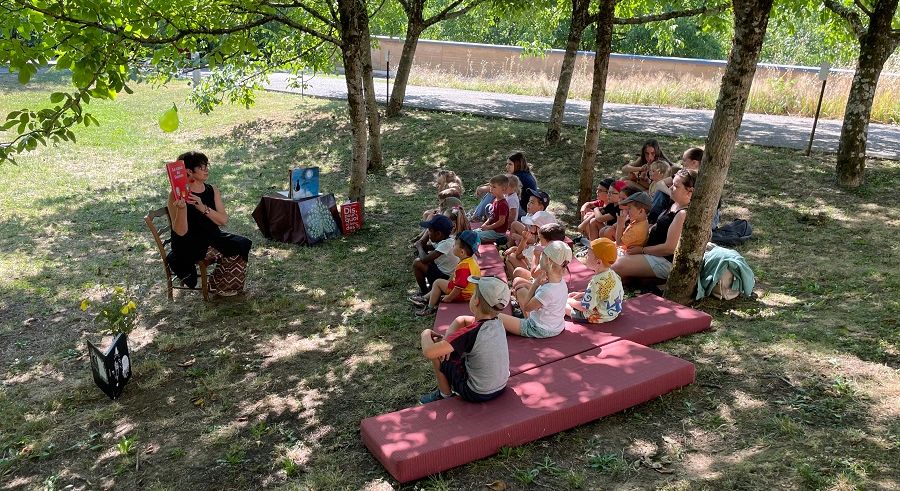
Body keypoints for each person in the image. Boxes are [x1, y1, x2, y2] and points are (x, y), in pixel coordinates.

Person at [167, 151, 252, 296]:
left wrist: (203, 208)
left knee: (242, 243)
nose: (206, 169)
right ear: (188, 171)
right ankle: (219, 285)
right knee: (232, 248)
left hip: (211, 236)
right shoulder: (175, 195)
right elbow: (180, 232)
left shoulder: (212, 190)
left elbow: (223, 220)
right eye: (201, 167)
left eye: (206, 165)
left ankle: (218, 284)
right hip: (188, 244)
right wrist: (182, 209)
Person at [418, 276, 511, 404]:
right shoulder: (499, 323)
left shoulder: (470, 333)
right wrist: (448, 337)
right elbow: (462, 320)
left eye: (473, 295)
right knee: (453, 349)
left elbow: (429, 352)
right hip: (501, 386)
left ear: (476, 301)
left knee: (438, 352)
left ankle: (444, 394)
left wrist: (425, 333)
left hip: (475, 392)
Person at [613, 169, 698, 282]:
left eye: (676, 186)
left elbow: (669, 248)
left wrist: (642, 250)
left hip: (663, 260)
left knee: (617, 265)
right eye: (672, 184)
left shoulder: (682, 214)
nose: (671, 188)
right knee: (610, 257)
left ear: (689, 192)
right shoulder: (674, 204)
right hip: (652, 254)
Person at [500, 241, 571, 339]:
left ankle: (524, 319)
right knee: (521, 287)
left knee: (498, 317)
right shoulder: (560, 282)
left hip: (538, 329)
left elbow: (527, 307)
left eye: (542, 255)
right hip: (555, 326)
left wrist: (536, 284)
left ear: (548, 261)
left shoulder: (548, 291)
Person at [412, 230, 482, 316]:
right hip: (470, 292)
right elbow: (455, 277)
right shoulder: (470, 261)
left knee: (438, 282)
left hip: (464, 294)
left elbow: (459, 288)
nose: (453, 246)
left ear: (462, 252)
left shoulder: (464, 266)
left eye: (455, 244)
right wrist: (447, 284)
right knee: (440, 283)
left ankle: (430, 309)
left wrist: (449, 298)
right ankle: (424, 298)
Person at [566, 238, 624, 324]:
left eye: (588, 255)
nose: (585, 256)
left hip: (599, 317)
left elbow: (584, 307)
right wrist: (583, 294)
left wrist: (569, 301)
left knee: (563, 307)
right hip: (613, 313)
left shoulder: (595, 282)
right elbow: (604, 292)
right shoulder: (613, 274)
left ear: (598, 262)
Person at [472, 152, 538, 220]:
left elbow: (498, 186)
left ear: (517, 165)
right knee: (495, 190)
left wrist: (481, 189)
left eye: (510, 164)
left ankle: (477, 216)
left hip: (524, 211)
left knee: (494, 191)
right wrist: (482, 187)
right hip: (522, 208)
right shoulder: (525, 174)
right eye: (507, 164)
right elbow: (497, 182)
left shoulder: (519, 177)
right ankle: (482, 213)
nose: (507, 167)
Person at [412, 214, 458, 295]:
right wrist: (423, 241)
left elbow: (424, 260)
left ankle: (424, 292)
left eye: (429, 230)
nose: (428, 233)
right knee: (423, 254)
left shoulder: (446, 244)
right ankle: (429, 289)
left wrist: (419, 246)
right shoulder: (444, 240)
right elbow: (425, 247)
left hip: (446, 278)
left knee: (417, 263)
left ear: (438, 234)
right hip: (442, 271)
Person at [503, 210, 556, 280]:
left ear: (539, 229)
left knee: (510, 257)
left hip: (535, 277)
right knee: (510, 259)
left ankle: (516, 283)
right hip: (542, 275)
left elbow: (518, 255)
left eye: (532, 226)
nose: (529, 228)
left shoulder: (538, 247)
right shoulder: (550, 244)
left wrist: (524, 239)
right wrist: (515, 248)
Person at [474, 175, 510, 244]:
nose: (491, 189)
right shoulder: (495, 200)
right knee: (472, 233)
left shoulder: (503, 204)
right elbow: (491, 216)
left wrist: (488, 227)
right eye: (490, 186)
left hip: (498, 232)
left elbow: (501, 221)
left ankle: (499, 239)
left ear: (503, 189)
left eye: (494, 187)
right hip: (492, 229)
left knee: (475, 236)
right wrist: (485, 224)